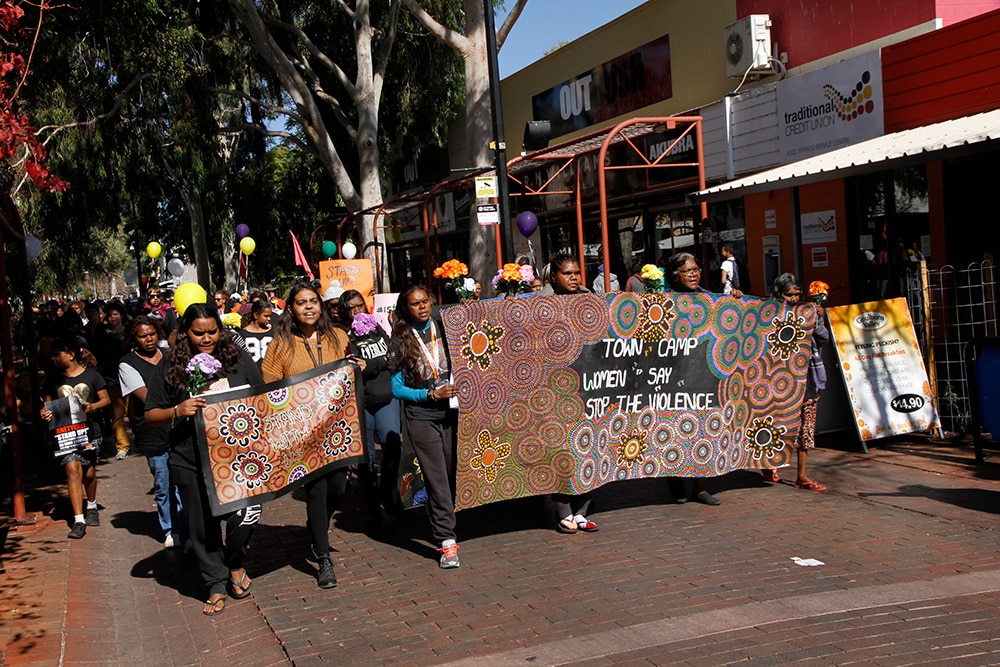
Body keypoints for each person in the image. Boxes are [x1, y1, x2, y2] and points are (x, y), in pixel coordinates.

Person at [145, 303, 263, 616]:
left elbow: (261, 397)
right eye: (199, 333)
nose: (207, 338)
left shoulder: (237, 358)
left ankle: (234, 560)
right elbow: (150, 414)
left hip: (237, 459)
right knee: (201, 526)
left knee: (248, 513)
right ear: (186, 332)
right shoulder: (170, 363)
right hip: (189, 458)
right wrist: (177, 411)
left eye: (213, 331)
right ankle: (215, 582)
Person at [261, 283, 355, 589]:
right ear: (291, 309)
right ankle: (324, 557)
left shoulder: (338, 336)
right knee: (316, 489)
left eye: (313, 301)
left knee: (338, 489)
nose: (309, 307)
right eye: (301, 303)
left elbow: (351, 369)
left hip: (337, 428)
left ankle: (317, 530)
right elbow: (269, 384)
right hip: (302, 432)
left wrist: (359, 366)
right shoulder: (281, 344)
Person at [389, 285, 461, 567]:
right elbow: (396, 388)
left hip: (454, 413)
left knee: (452, 470)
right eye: (415, 304)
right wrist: (428, 394)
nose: (422, 307)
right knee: (437, 478)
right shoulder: (401, 338)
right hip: (422, 416)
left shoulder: (448, 327)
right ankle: (446, 541)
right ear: (406, 309)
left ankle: (441, 516)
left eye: (425, 301)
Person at [538, 254, 600, 533]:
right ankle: (563, 510)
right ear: (554, 277)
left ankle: (582, 511)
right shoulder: (537, 306)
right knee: (562, 451)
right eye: (568, 273)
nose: (575, 277)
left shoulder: (592, 301)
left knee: (590, 448)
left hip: (588, 388)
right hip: (556, 391)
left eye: (577, 273)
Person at [118, 315, 186, 547]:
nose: (148, 339)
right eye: (142, 336)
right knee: (163, 483)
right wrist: (177, 403)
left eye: (152, 334)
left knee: (183, 482)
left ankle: (186, 529)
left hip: (178, 428)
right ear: (134, 338)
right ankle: (170, 528)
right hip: (152, 433)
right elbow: (147, 398)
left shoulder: (169, 356)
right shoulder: (127, 364)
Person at [663, 252, 722, 506]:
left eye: (697, 269)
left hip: (704, 374)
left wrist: (738, 303)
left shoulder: (710, 300)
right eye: (688, 271)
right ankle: (675, 478)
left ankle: (699, 487)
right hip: (673, 376)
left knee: (704, 430)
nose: (694, 274)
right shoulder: (663, 301)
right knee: (674, 430)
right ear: (675, 275)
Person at [761, 274, 829, 491]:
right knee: (777, 422)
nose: (793, 298)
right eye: (788, 294)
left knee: (806, 427)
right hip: (777, 377)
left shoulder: (809, 312)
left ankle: (802, 474)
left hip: (806, 376)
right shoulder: (768, 313)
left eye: (797, 294)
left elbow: (823, 338)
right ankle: (769, 463)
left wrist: (818, 319)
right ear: (779, 294)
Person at [40, 337, 111, 539]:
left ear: (71, 354)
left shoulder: (92, 375)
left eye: (57, 354)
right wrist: (45, 413)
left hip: (89, 431)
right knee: (72, 469)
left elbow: (105, 399)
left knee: (88, 473)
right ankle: (78, 520)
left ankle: (91, 504)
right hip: (65, 434)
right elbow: (47, 405)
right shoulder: (53, 381)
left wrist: (92, 407)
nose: (53, 359)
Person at [339, 290, 400, 519]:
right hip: (361, 401)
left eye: (360, 306)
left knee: (392, 447)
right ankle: (372, 501)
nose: (357, 311)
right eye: (351, 308)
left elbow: (389, 357)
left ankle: (388, 494)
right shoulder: (345, 335)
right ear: (345, 312)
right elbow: (353, 365)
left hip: (385, 396)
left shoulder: (377, 327)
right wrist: (373, 365)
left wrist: (373, 365)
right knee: (366, 457)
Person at [239, 299, 274, 366]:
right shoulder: (243, 334)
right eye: (266, 316)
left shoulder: (273, 333)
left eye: (270, 316)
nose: (269, 319)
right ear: (256, 315)